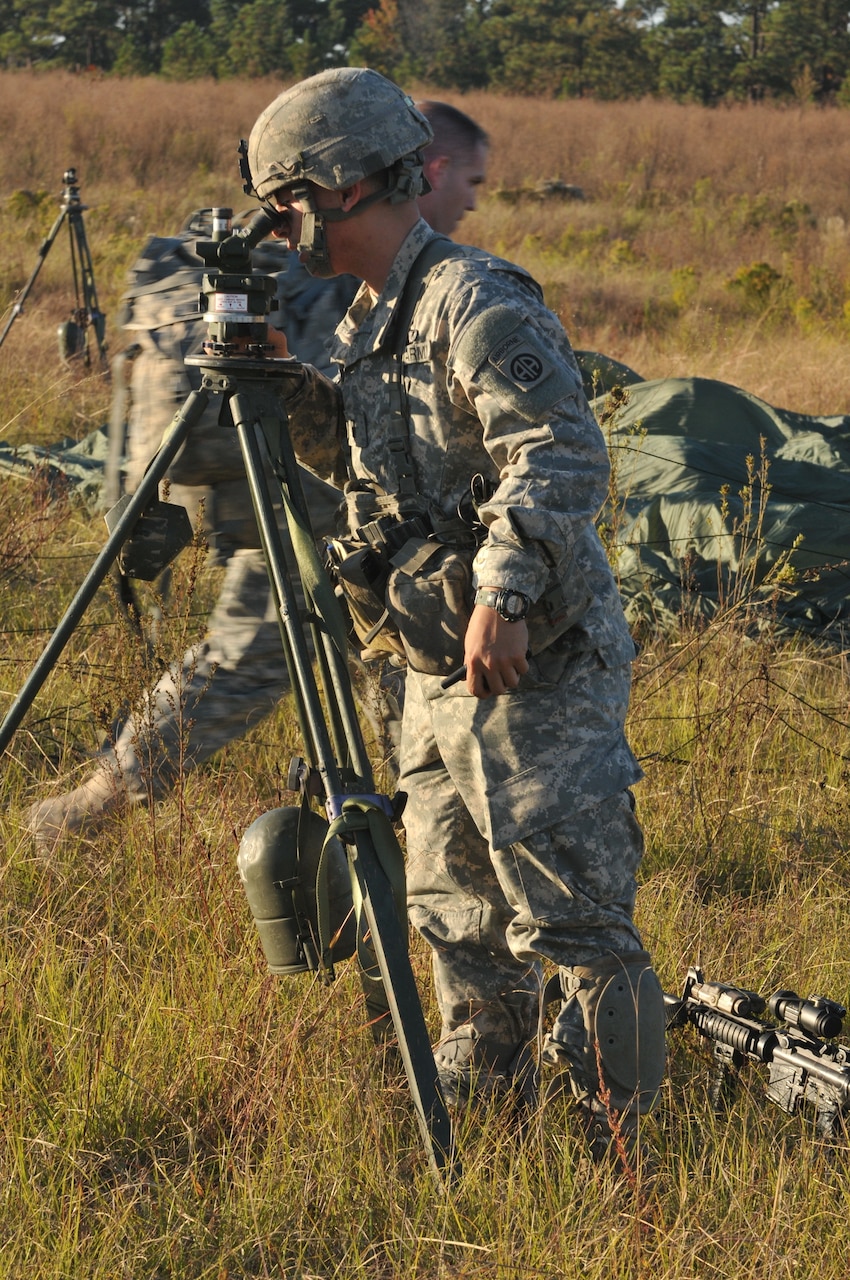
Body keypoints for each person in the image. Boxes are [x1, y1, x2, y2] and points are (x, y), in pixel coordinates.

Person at [243, 67, 667, 1157]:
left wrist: (504, 588)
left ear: (339, 186)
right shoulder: (370, 321)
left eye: (287, 201)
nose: (283, 229)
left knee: (569, 916)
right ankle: (488, 1115)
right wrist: (277, 381)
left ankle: (615, 1156)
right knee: (453, 913)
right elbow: (359, 466)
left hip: (531, 661)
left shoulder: (474, 299)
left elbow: (559, 449)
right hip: (432, 668)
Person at [26, 100, 491, 848]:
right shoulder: (362, 264)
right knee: (245, 666)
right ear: (428, 168)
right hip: (313, 518)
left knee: (384, 671)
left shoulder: (369, 260)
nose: (472, 198)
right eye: (469, 178)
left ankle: (410, 827)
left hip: (324, 517)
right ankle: (79, 813)